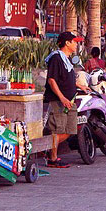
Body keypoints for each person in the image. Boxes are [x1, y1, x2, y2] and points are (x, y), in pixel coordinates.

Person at [42, 32, 82, 168]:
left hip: (70, 100)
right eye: (74, 42)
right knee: (57, 129)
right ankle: (52, 158)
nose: (76, 44)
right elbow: (52, 80)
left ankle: (48, 147)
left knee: (70, 129)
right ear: (67, 43)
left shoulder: (67, 59)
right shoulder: (56, 58)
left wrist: (78, 85)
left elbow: (65, 78)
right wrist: (62, 97)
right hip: (58, 101)